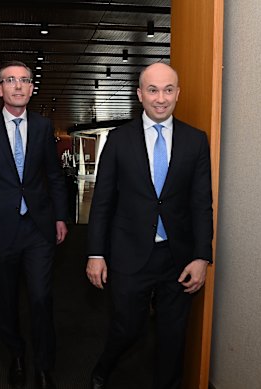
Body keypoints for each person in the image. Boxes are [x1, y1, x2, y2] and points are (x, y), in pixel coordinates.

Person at [86, 62, 213, 389]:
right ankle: (103, 368)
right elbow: (102, 202)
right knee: (128, 328)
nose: (161, 98)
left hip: (178, 256)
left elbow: (201, 203)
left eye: (168, 89)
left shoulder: (195, 141)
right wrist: (96, 254)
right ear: (139, 94)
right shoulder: (118, 140)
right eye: (153, 90)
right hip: (129, 253)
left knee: (173, 337)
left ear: (178, 93)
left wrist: (202, 257)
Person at [0, 60, 68, 389]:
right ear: (0, 89)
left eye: (25, 80)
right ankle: (17, 355)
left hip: (38, 229)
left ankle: (44, 366)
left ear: (32, 88)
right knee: (5, 300)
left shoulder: (42, 127)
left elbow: (54, 176)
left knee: (40, 298)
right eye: (11, 80)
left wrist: (61, 217)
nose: (19, 86)